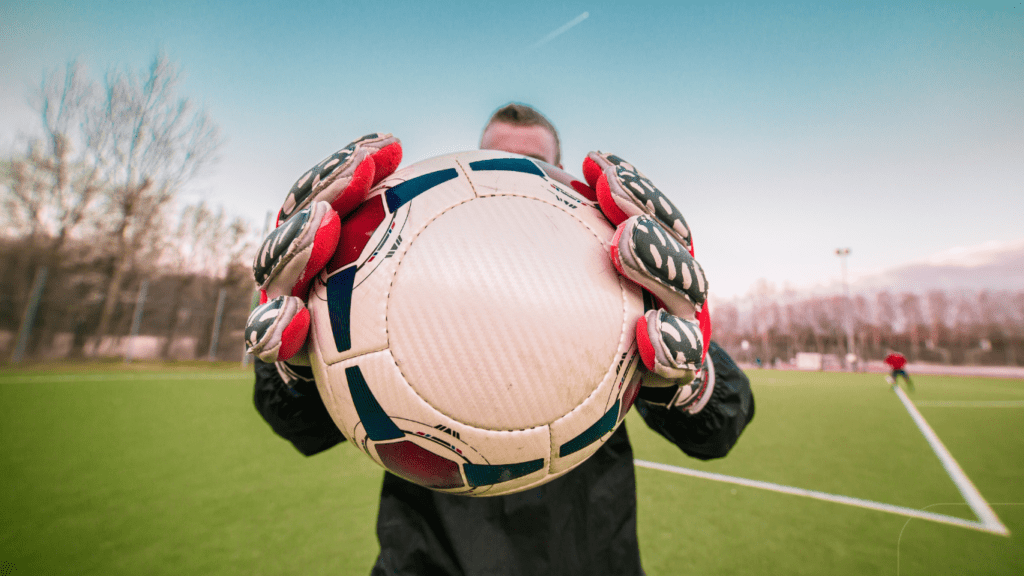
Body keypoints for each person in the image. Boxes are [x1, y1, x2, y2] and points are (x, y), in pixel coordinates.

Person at [248, 103, 755, 575]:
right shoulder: (394, 273)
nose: (509, 178)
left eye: (530, 163)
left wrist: (688, 377)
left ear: (557, 176)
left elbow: (718, 430)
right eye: (496, 159)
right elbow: (299, 427)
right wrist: (300, 357)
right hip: (427, 560)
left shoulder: (615, 277)